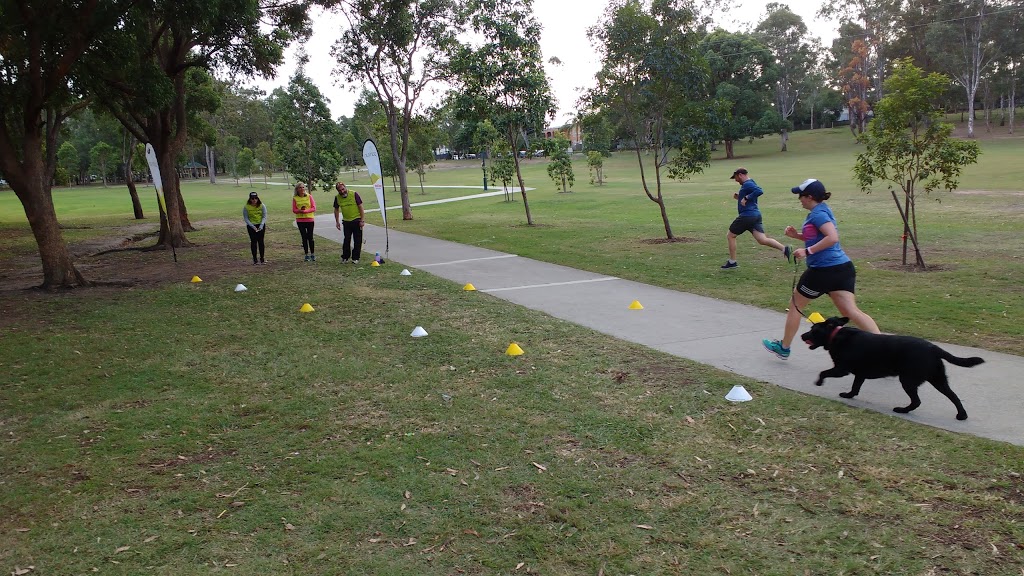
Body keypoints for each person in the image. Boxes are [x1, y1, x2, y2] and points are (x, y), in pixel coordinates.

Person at [762, 178, 881, 360]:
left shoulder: (818, 215)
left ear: (809, 197)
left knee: (795, 305)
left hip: (823, 271)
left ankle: (784, 347)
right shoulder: (822, 210)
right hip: (841, 269)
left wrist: (807, 251)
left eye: (801, 196)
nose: (799, 199)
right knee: (851, 312)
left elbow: (832, 238)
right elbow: (820, 237)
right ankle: (884, 350)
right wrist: (798, 236)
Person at [722, 167, 791, 269]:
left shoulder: (748, 184)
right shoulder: (750, 183)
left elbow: (759, 191)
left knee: (730, 236)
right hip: (755, 215)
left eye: (736, 178)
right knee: (762, 240)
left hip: (747, 216)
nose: (736, 180)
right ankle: (785, 249)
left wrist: (746, 197)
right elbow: (751, 197)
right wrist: (740, 197)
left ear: (740, 175)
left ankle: (732, 262)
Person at [333, 181, 365, 264]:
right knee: (346, 240)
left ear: (345, 187)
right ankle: (345, 257)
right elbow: (336, 209)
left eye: (343, 189)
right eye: (340, 190)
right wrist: (337, 222)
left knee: (357, 240)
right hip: (346, 221)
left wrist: (362, 220)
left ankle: (355, 258)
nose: (342, 191)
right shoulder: (337, 197)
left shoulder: (354, 194)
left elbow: (361, 207)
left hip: (356, 220)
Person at [292, 182, 316, 262]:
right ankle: (306, 255)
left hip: (309, 219)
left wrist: (306, 211)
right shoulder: (295, 198)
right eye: (300, 188)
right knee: (304, 237)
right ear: (297, 189)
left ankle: (312, 254)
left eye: (303, 187)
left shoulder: (309, 196)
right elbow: (294, 210)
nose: (302, 189)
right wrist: (300, 211)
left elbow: (313, 208)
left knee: (310, 237)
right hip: (300, 220)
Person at [242, 191, 267, 265]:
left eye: (256, 198)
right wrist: (252, 226)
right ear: (250, 199)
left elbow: (264, 216)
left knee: (261, 242)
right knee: (253, 242)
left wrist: (261, 226)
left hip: (260, 225)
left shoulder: (262, 206)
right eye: (252, 198)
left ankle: (262, 259)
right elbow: (246, 218)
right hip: (251, 226)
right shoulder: (246, 207)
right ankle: (255, 259)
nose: (254, 200)